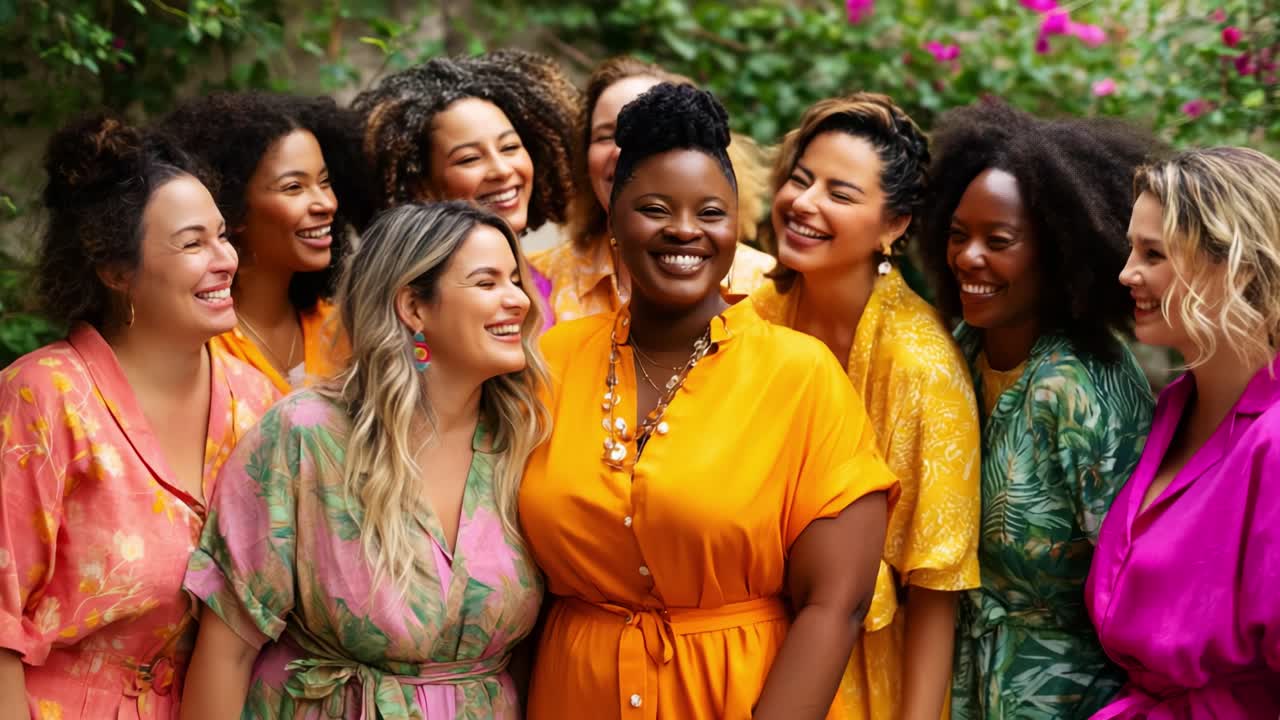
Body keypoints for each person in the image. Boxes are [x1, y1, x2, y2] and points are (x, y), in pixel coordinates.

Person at [519, 82, 896, 720]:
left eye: (710, 211)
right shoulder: (550, 363)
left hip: (737, 696)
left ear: (736, 225)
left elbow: (838, 603)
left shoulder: (800, 374)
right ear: (614, 219)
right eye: (656, 207)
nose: (685, 230)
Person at [180, 201, 550, 719]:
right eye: (488, 283)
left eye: (515, 280)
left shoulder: (525, 440)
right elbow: (227, 650)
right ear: (414, 308)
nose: (519, 301)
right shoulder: (306, 437)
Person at [0, 114, 277, 719]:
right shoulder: (42, 397)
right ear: (116, 271)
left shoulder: (257, 402)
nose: (224, 258)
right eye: (191, 243)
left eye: (222, 235)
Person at [914, 99, 1159, 719]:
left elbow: (1133, 583)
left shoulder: (1083, 385)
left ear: (1057, 253)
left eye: (999, 241)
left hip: (1071, 695)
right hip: (962, 684)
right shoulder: (957, 353)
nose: (969, 257)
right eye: (957, 234)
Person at [750, 93, 980, 720]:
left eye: (840, 194)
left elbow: (936, 590)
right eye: (801, 179)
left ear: (894, 225)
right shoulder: (752, 313)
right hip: (737, 645)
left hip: (858, 673)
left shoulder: (921, 367)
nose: (804, 203)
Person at [1086, 147, 1280, 718]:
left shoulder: (1272, 442)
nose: (1127, 273)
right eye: (1131, 249)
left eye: (1154, 254)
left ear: (1236, 267)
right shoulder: (1172, 408)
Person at [528, 55, 776, 325]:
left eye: (647, 130)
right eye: (604, 136)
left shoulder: (765, 286)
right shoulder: (535, 280)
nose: (622, 152)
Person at [160, 92, 367, 393]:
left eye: (324, 182)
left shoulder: (343, 330)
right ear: (232, 206)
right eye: (294, 187)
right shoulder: (197, 345)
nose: (326, 203)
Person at [352, 50, 577, 240]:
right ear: (419, 186)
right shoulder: (422, 292)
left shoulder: (546, 281)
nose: (502, 170)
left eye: (509, 147)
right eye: (469, 159)